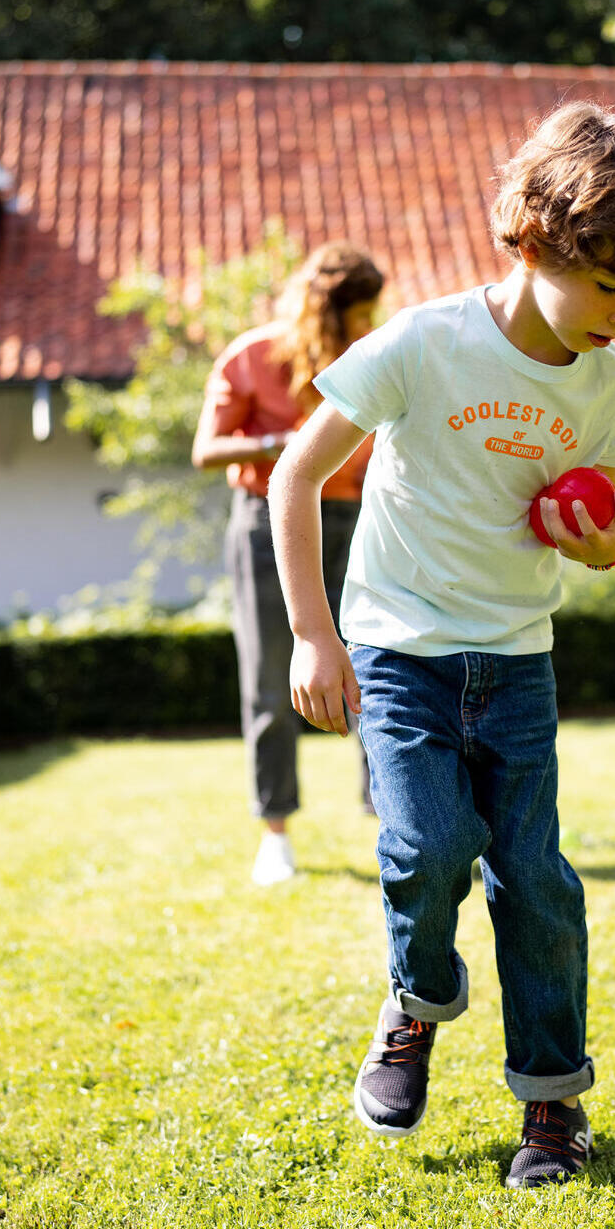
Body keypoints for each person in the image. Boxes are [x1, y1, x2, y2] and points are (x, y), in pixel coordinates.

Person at [268, 101, 615, 1187]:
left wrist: (595, 535)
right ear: (531, 240)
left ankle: (552, 1104)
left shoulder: (611, 387)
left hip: (515, 659)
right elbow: (292, 474)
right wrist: (309, 637)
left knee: (534, 878)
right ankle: (414, 1004)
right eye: (611, 284)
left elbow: (603, 541)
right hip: (394, 650)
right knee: (424, 848)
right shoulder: (424, 343)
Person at [193, 242, 385, 885]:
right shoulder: (250, 356)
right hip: (266, 524)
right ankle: (275, 833)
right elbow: (206, 450)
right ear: (326, 312)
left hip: (357, 520)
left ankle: (393, 815)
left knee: (377, 671)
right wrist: (288, 444)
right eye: (359, 315)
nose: (368, 326)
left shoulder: (371, 358)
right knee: (272, 680)